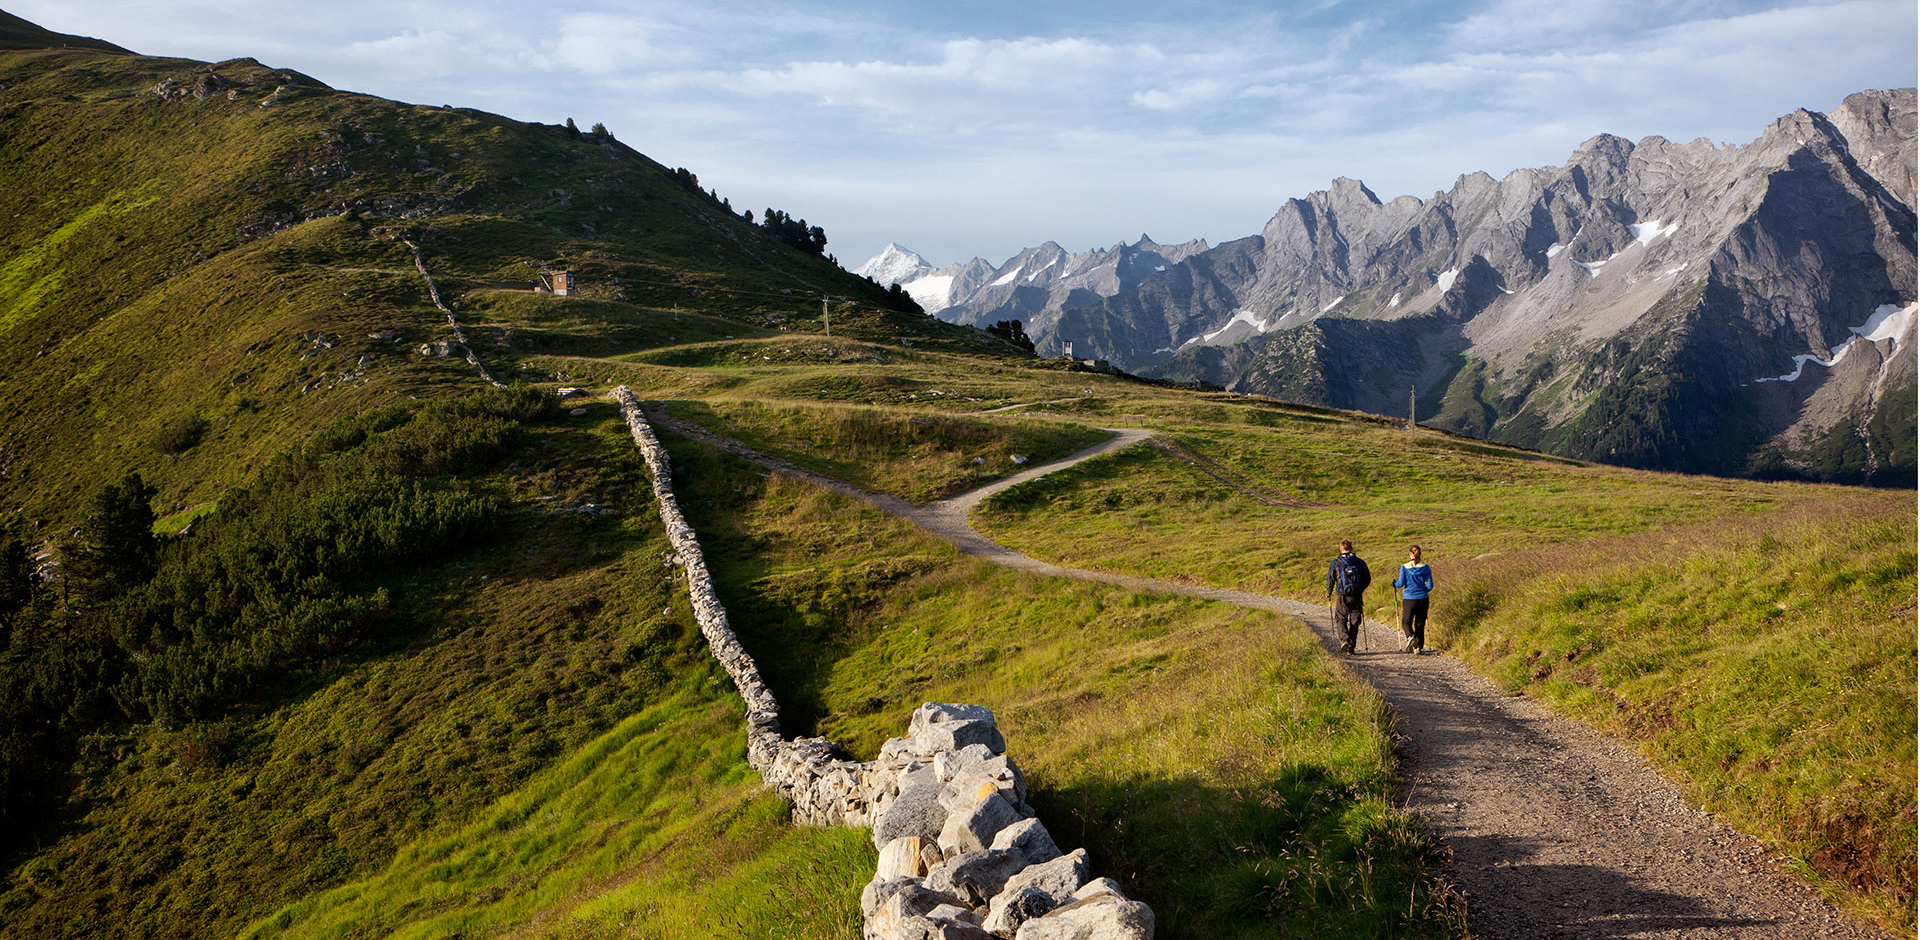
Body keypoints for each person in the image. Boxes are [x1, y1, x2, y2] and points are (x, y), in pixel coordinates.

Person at [1324, 539, 1371, 654]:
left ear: (1341, 549)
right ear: (1351, 548)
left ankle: (1345, 639)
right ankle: (1351, 647)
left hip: (1342, 596)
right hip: (1357, 596)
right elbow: (1367, 578)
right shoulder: (1360, 562)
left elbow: (1330, 578)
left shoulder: (1336, 562)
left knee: (1341, 618)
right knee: (1355, 621)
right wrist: (1360, 589)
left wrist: (1329, 591)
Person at [1393, 545, 1434, 654]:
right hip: (1423, 598)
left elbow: (1400, 584)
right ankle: (1418, 647)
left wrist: (1394, 584)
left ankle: (1410, 636)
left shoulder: (1404, 567)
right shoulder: (1426, 568)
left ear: (1410, 554)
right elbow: (1430, 586)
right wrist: (1423, 590)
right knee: (1420, 623)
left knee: (1406, 622)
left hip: (1409, 598)